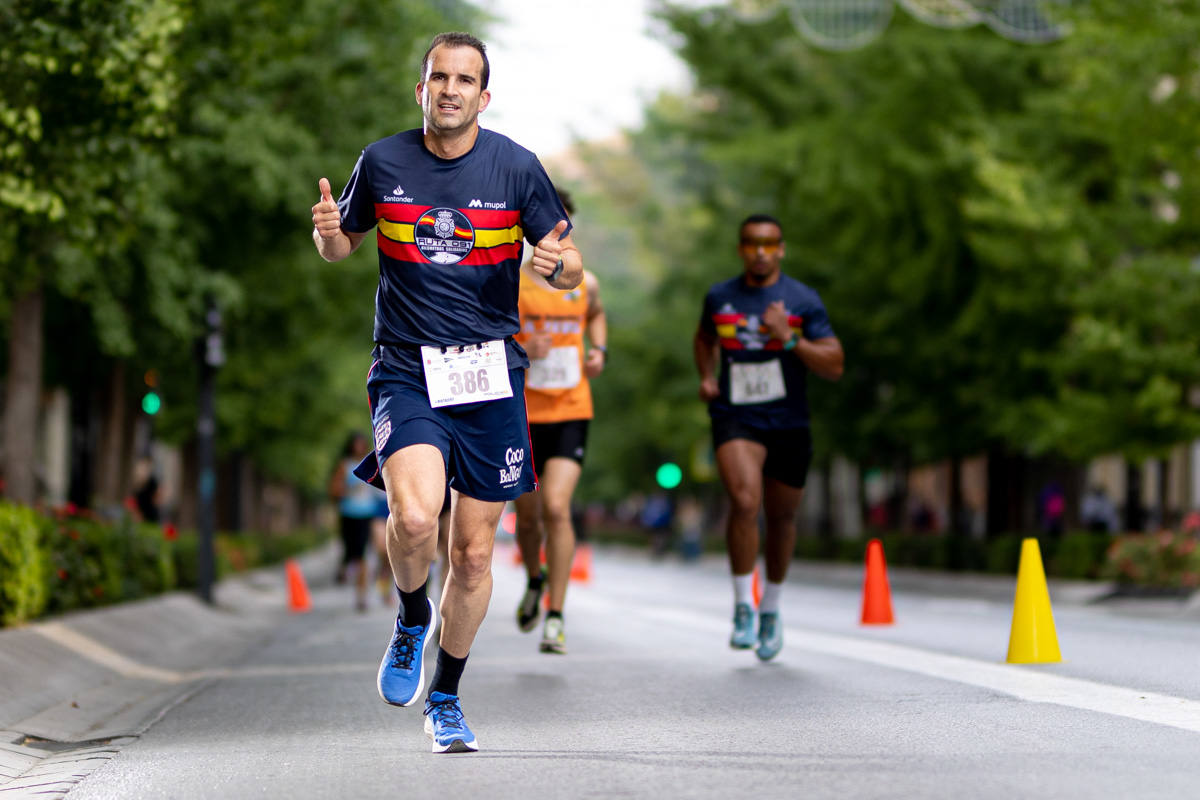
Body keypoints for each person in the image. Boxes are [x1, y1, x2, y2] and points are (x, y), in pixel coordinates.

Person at [311, 31, 581, 754]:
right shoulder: (385, 160)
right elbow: (344, 247)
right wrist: (330, 235)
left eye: (466, 79)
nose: (451, 89)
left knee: (475, 556)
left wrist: (556, 268)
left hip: (490, 373)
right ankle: (409, 617)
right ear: (422, 89)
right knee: (417, 517)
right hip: (407, 367)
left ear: (483, 96)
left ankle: (447, 697)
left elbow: (569, 263)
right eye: (439, 77)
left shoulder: (517, 168)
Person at [694, 213, 843, 661]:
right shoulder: (721, 297)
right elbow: (703, 339)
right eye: (751, 243)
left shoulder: (802, 300)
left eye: (769, 244)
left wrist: (789, 339)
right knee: (743, 501)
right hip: (737, 416)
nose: (760, 251)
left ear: (781, 249)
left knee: (781, 519)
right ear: (741, 248)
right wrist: (706, 374)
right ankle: (743, 604)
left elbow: (835, 365)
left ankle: (771, 610)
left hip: (789, 421)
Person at [512, 187, 606, 654]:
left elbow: (598, 314)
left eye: (560, 221)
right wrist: (524, 350)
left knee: (556, 507)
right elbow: (491, 335)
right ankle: (534, 577)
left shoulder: (585, 282)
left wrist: (599, 350)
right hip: (523, 412)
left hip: (571, 408)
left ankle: (556, 613)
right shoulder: (513, 280)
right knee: (527, 519)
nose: (551, 230)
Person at [328, 432, 379, 612]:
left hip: (367, 514)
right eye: (355, 444)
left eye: (361, 444)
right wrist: (347, 488)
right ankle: (344, 566)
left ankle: (361, 597)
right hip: (348, 514)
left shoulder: (372, 463)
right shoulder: (344, 465)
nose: (358, 447)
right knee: (351, 552)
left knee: (363, 556)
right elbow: (334, 490)